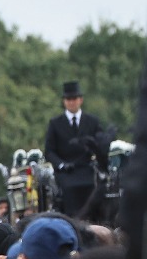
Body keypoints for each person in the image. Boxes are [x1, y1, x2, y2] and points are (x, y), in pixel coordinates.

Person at [44, 81, 107, 218]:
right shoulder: (55, 123)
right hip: (66, 170)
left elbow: (100, 144)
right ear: (64, 101)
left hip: (88, 167)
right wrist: (61, 164)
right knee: (68, 188)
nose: (71, 102)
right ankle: (72, 218)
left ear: (80, 100)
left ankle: (95, 218)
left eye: (74, 98)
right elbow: (49, 151)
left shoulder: (92, 121)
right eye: (68, 99)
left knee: (95, 186)